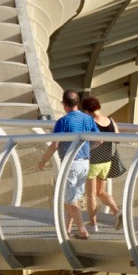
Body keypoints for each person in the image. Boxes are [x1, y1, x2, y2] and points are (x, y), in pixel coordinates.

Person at [35, 89, 96, 239]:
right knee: (73, 197)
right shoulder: (88, 119)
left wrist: (43, 160)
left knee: (70, 199)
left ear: (64, 104)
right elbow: (99, 139)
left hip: (71, 164)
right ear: (78, 103)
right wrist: (84, 149)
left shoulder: (63, 121)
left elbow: (55, 144)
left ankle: (82, 231)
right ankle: (66, 229)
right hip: (85, 163)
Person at [80, 94, 122, 230]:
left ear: (86, 110)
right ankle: (117, 212)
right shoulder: (110, 120)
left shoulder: (90, 122)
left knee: (91, 195)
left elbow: (98, 140)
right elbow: (117, 138)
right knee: (100, 192)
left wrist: (87, 148)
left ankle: (93, 224)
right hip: (107, 161)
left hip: (93, 162)